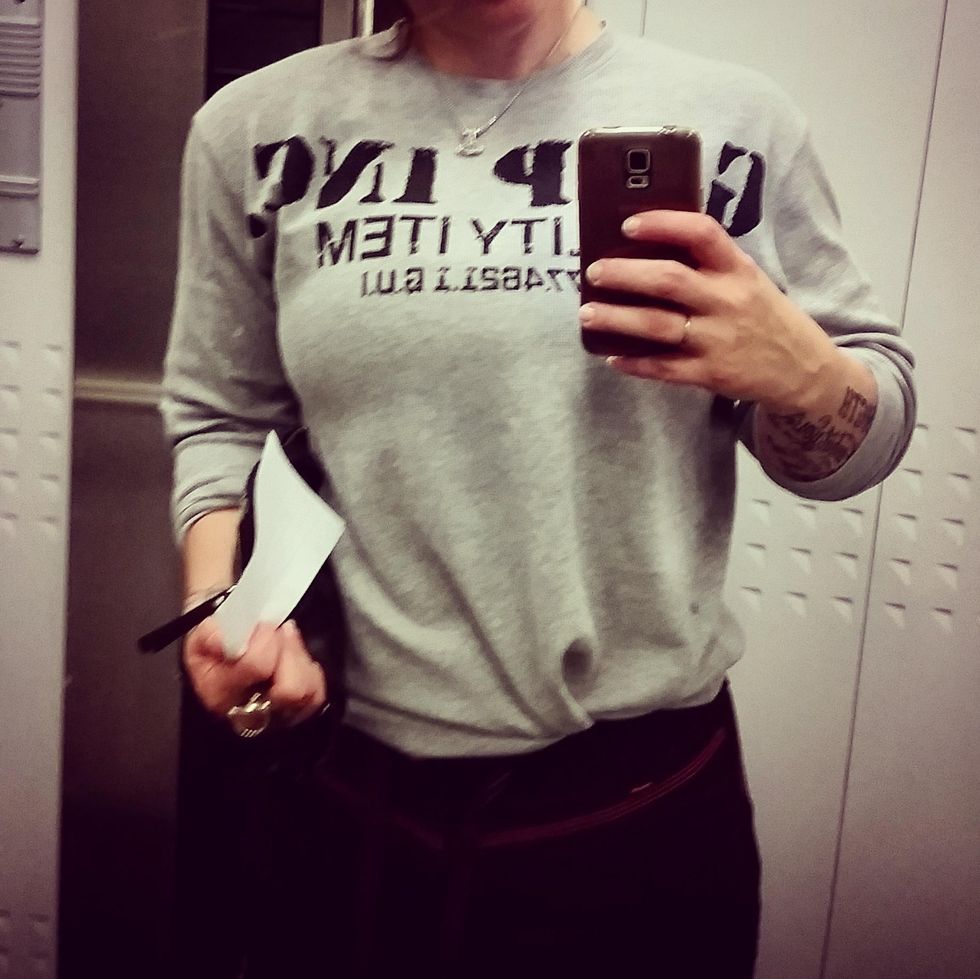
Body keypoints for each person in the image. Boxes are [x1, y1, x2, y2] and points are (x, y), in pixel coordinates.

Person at [161, 1, 916, 975]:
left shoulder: (736, 120)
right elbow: (221, 413)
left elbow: (865, 440)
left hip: (638, 819)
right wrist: (221, 606)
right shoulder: (253, 129)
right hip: (344, 805)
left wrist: (799, 372)